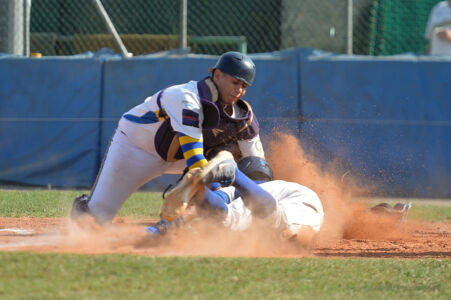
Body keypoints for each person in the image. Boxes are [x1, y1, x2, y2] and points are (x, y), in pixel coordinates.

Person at [71, 52, 265, 223]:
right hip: (135, 148)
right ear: (217, 75)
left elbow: (257, 169)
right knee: (94, 221)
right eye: (235, 82)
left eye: (244, 85)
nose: (239, 89)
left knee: (235, 161)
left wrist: (257, 200)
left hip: (180, 158)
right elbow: (196, 162)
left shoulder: (242, 119)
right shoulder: (186, 97)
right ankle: (85, 209)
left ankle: (206, 218)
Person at [147, 153, 325, 244]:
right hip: (311, 207)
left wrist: (166, 225)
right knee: (280, 228)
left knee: (228, 220)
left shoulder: (247, 193)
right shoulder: (282, 185)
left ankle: (226, 178)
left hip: (282, 209)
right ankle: (203, 188)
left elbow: (217, 203)